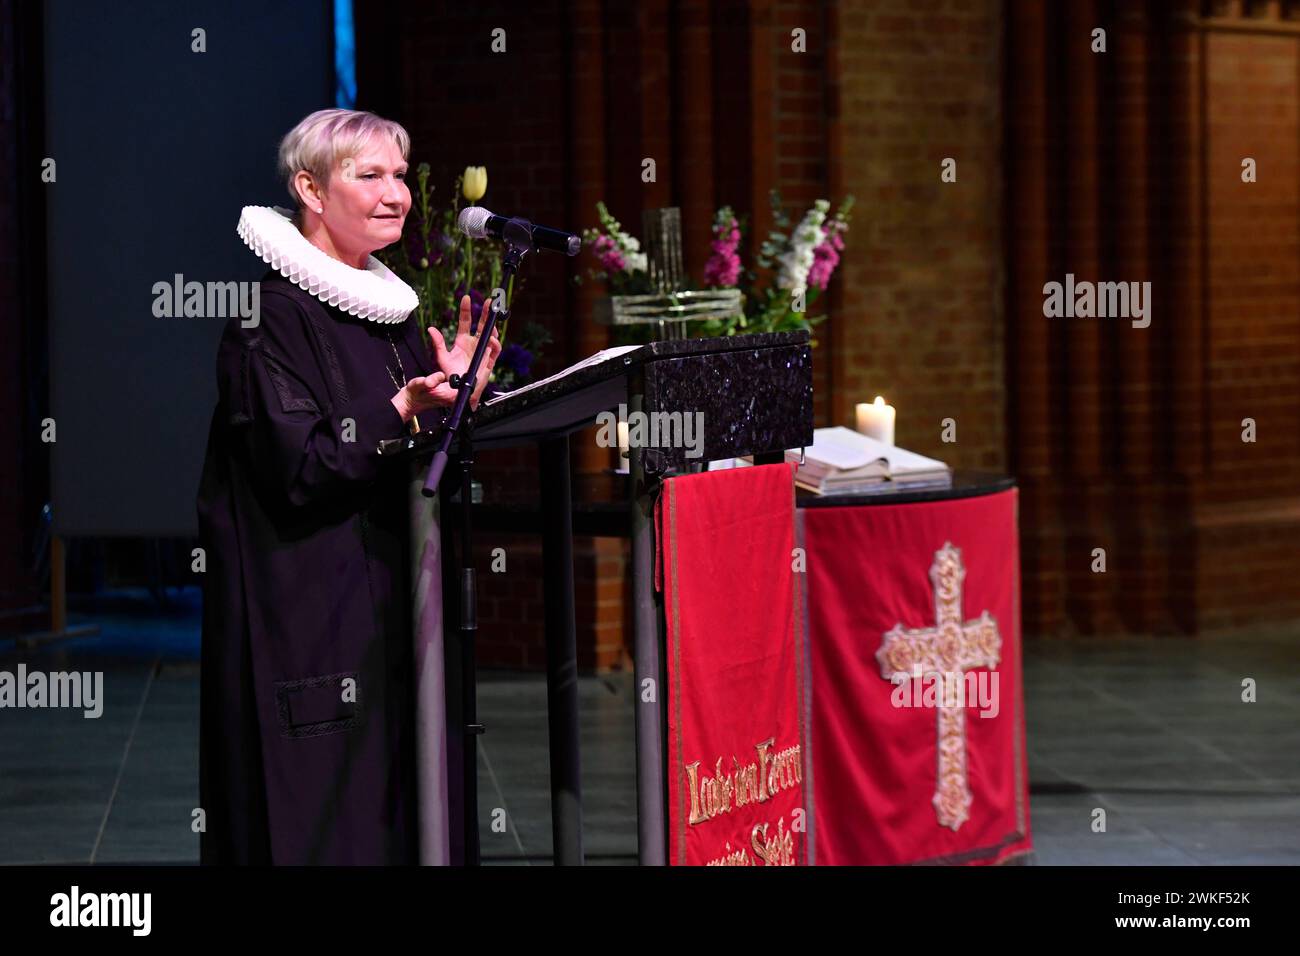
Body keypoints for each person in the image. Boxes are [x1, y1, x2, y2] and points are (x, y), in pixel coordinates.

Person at [196, 109, 500, 864]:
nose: (395, 192)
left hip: (392, 607)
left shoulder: (391, 318)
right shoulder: (268, 321)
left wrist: (460, 401)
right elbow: (300, 470)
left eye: (399, 173)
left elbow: (418, 466)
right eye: (369, 175)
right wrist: (402, 410)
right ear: (310, 189)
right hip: (309, 618)